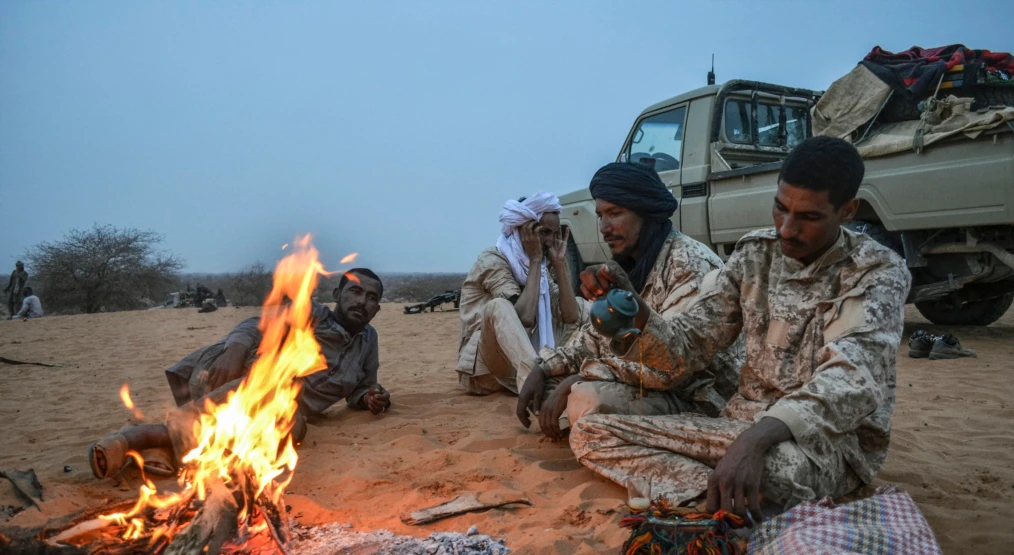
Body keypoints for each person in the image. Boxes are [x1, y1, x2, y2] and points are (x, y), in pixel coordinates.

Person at [569, 136, 912, 522]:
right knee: (591, 432)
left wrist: (757, 438)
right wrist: (637, 313)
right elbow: (685, 349)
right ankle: (716, 498)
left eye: (808, 217)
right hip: (734, 427)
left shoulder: (874, 271)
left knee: (779, 468)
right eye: (780, 209)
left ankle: (720, 497)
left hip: (820, 444)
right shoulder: (754, 255)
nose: (786, 228)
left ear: (847, 211)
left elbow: (852, 379)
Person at [88, 268, 392, 479]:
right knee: (262, 391)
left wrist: (371, 398)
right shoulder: (311, 313)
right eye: (355, 292)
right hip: (230, 378)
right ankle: (135, 437)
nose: (362, 301)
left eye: (371, 298)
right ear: (338, 294)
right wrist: (233, 351)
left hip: (285, 412)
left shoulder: (369, 341)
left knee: (291, 429)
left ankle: (163, 452)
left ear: (377, 308)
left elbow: (360, 389)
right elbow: (253, 326)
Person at [517, 163, 743, 440]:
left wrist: (582, 378)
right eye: (600, 215)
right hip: (637, 382)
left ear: (646, 215)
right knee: (531, 369)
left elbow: (668, 365)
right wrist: (546, 368)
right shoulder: (630, 263)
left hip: (693, 396)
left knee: (586, 397)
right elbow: (593, 339)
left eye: (615, 214)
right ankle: (571, 414)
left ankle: (579, 417)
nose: (604, 228)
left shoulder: (690, 264)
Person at [456, 192, 586, 395]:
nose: (550, 241)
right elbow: (524, 317)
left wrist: (560, 266)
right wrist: (535, 260)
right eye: (543, 233)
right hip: (489, 371)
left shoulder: (541, 269)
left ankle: (549, 372)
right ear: (521, 231)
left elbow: (571, 316)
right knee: (498, 307)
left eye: (554, 233)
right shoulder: (492, 260)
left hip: (520, 364)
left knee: (582, 305)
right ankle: (538, 384)